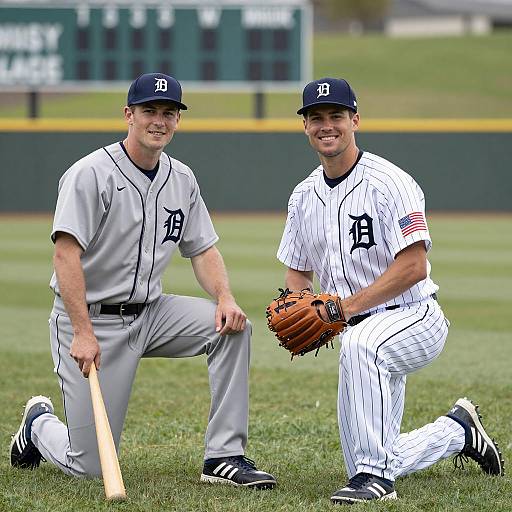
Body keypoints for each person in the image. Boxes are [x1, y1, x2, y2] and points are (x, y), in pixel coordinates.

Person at [10, 72, 276, 490]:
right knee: (91, 467)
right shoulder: (90, 173)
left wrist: (225, 296)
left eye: (169, 113)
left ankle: (223, 456)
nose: (159, 120)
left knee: (231, 329)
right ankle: (39, 425)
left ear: (177, 121)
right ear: (128, 115)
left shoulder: (181, 178)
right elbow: (66, 255)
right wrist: (82, 332)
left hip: (152, 313)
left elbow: (203, 249)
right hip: (91, 321)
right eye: (149, 110)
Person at [276, 77, 503, 504]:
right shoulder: (302, 196)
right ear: (305, 126)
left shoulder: (390, 182)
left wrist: (343, 310)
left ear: (355, 120)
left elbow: (414, 266)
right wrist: (298, 305)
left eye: (336, 116)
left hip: (414, 316)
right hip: (359, 330)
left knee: (361, 346)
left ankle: (376, 483)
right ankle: (457, 431)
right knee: (372, 455)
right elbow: (298, 272)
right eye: (316, 118)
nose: (327, 126)